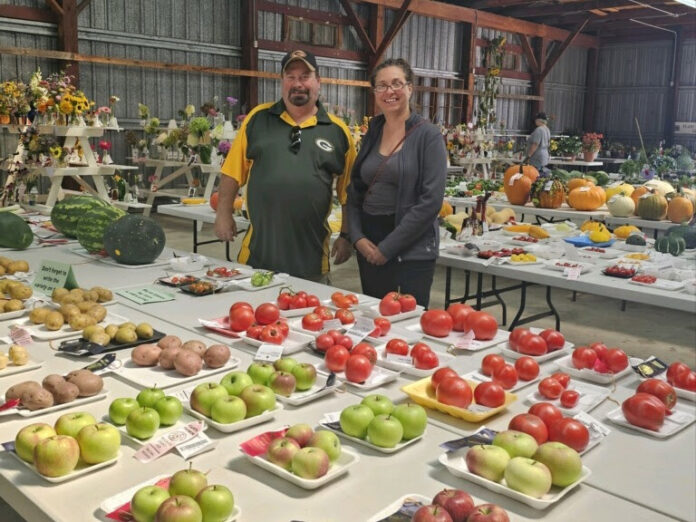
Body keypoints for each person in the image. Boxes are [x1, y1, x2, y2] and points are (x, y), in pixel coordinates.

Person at [214, 49, 356, 281]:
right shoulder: (257, 119)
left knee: (309, 313)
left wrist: (347, 236)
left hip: (311, 258)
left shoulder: (337, 131)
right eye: (291, 77)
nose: (298, 83)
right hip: (258, 255)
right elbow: (231, 173)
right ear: (282, 82)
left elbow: (350, 192)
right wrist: (223, 214)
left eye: (304, 77)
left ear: (318, 82)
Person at [346, 58, 447, 307]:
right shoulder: (373, 131)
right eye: (382, 86)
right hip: (369, 244)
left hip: (410, 248)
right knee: (374, 320)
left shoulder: (428, 136)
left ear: (410, 88)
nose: (389, 91)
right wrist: (356, 237)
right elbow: (356, 188)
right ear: (375, 92)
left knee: (405, 323)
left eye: (396, 84)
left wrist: (387, 248)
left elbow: (430, 201)